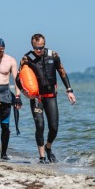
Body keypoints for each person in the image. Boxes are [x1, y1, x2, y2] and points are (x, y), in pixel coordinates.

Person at [20, 33, 76, 163]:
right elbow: (19, 78)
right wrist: (23, 92)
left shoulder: (53, 55)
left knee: (54, 127)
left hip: (51, 96)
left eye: (41, 47)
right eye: (36, 48)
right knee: (40, 126)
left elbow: (62, 72)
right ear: (32, 45)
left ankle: (48, 147)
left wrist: (69, 90)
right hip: (36, 98)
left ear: (44, 45)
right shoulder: (27, 58)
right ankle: (42, 156)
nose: (39, 50)